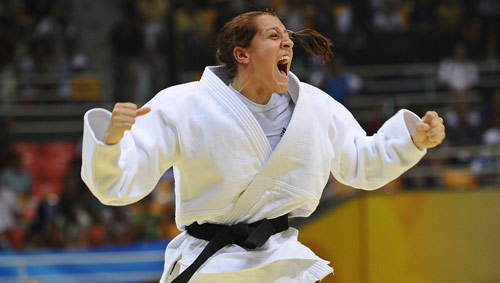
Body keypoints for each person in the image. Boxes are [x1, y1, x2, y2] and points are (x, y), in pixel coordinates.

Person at [81, 10, 446, 283]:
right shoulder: (183, 104)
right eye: (274, 36)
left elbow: (362, 164)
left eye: (287, 36)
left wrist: (411, 140)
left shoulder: (314, 108)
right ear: (242, 54)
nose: (287, 42)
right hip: (211, 265)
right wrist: (111, 143)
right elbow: (118, 186)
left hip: (281, 261)